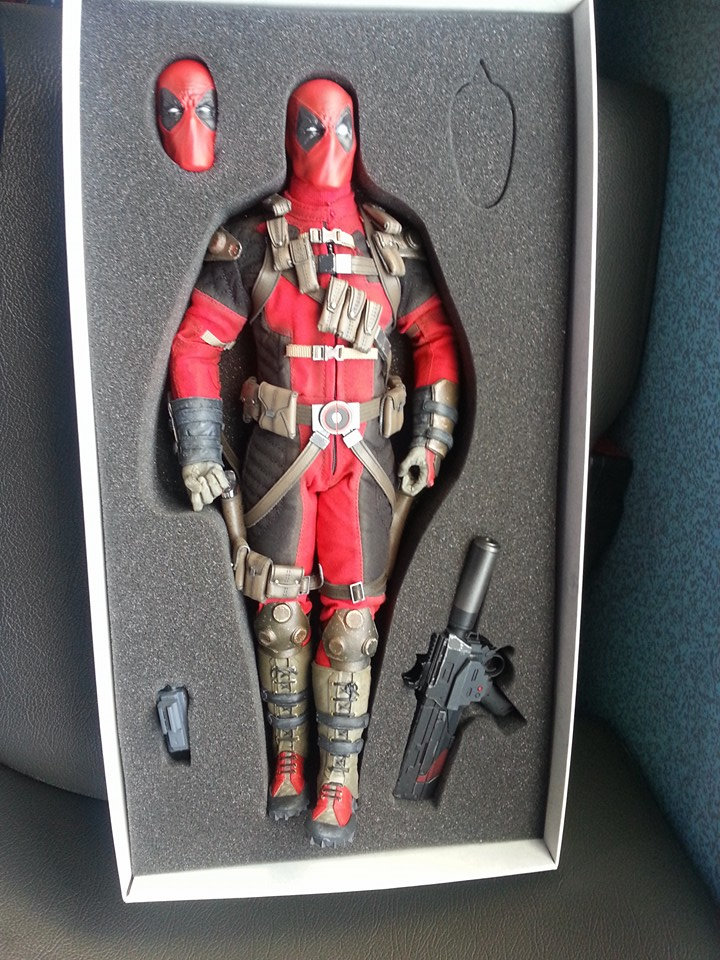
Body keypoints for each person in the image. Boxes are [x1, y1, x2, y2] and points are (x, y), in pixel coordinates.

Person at [168, 78, 459, 847]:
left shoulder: (390, 248)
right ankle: (290, 762)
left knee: (352, 627)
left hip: (364, 462)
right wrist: (199, 448)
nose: (328, 146)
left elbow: (434, 339)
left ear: (359, 133)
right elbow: (196, 345)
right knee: (280, 618)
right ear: (289, 133)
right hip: (281, 460)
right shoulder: (253, 244)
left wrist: (429, 439)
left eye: (340, 128)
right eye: (312, 129)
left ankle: (340, 774)